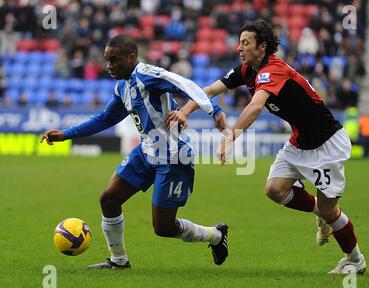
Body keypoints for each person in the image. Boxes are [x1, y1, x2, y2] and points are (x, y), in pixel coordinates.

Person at [167, 21, 366, 274]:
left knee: (331, 211)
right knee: (275, 190)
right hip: (299, 141)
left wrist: (230, 138)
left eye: (246, 43)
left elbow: (255, 107)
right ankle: (321, 212)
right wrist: (185, 111)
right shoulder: (247, 70)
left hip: (327, 143)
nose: (239, 48)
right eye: (239, 42)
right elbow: (209, 90)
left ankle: (355, 259)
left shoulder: (274, 70)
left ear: (262, 47)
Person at [40, 35, 229, 269]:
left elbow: (184, 83)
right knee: (108, 199)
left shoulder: (148, 74)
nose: (110, 65)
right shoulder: (122, 85)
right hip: (146, 151)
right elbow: (106, 118)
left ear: (132, 58)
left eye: (115, 60)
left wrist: (215, 110)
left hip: (173, 157)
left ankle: (216, 235)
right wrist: (66, 134)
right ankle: (118, 261)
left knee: (164, 228)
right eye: (107, 60)